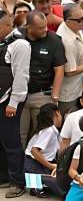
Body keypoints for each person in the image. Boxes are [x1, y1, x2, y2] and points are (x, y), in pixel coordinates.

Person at [19, 11, 65, 146]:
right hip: (20, 94)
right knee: (19, 135)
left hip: (42, 94)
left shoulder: (54, 40)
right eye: (40, 28)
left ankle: (35, 166)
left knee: (39, 135)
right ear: (28, 27)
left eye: (45, 26)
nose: (45, 30)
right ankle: (20, 166)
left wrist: (54, 97)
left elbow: (59, 69)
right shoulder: (17, 37)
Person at [0, 10, 30, 198]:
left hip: (9, 100)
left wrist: (14, 102)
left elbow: (21, 75)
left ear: (5, 25)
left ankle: (16, 182)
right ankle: (3, 176)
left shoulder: (19, 44)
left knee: (11, 142)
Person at [23, 103, 62, 197]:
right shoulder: (49, 130)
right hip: (34, 163)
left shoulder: (49, 130)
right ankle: (37, 185)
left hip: (36, 163)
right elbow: (34, 151)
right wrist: (51, 166)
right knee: (62, 189)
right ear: (57, 113)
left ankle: (37, 185)